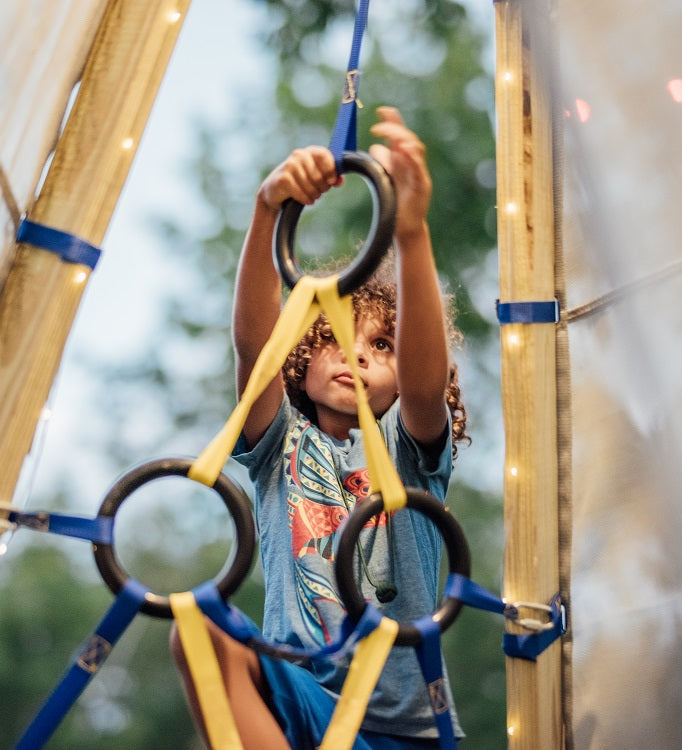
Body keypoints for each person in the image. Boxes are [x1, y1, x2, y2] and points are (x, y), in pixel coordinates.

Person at [171, 106, 470, 749]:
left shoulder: (408, 452)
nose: (359, 354)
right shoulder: (281, 448)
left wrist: (410, 234)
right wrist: (267, 208)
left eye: (382, 345)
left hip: (399, 730)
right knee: (199, 624)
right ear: (301, 356)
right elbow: (255, 350)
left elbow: (422, 383)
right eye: (339, 337)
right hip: (302, 709)